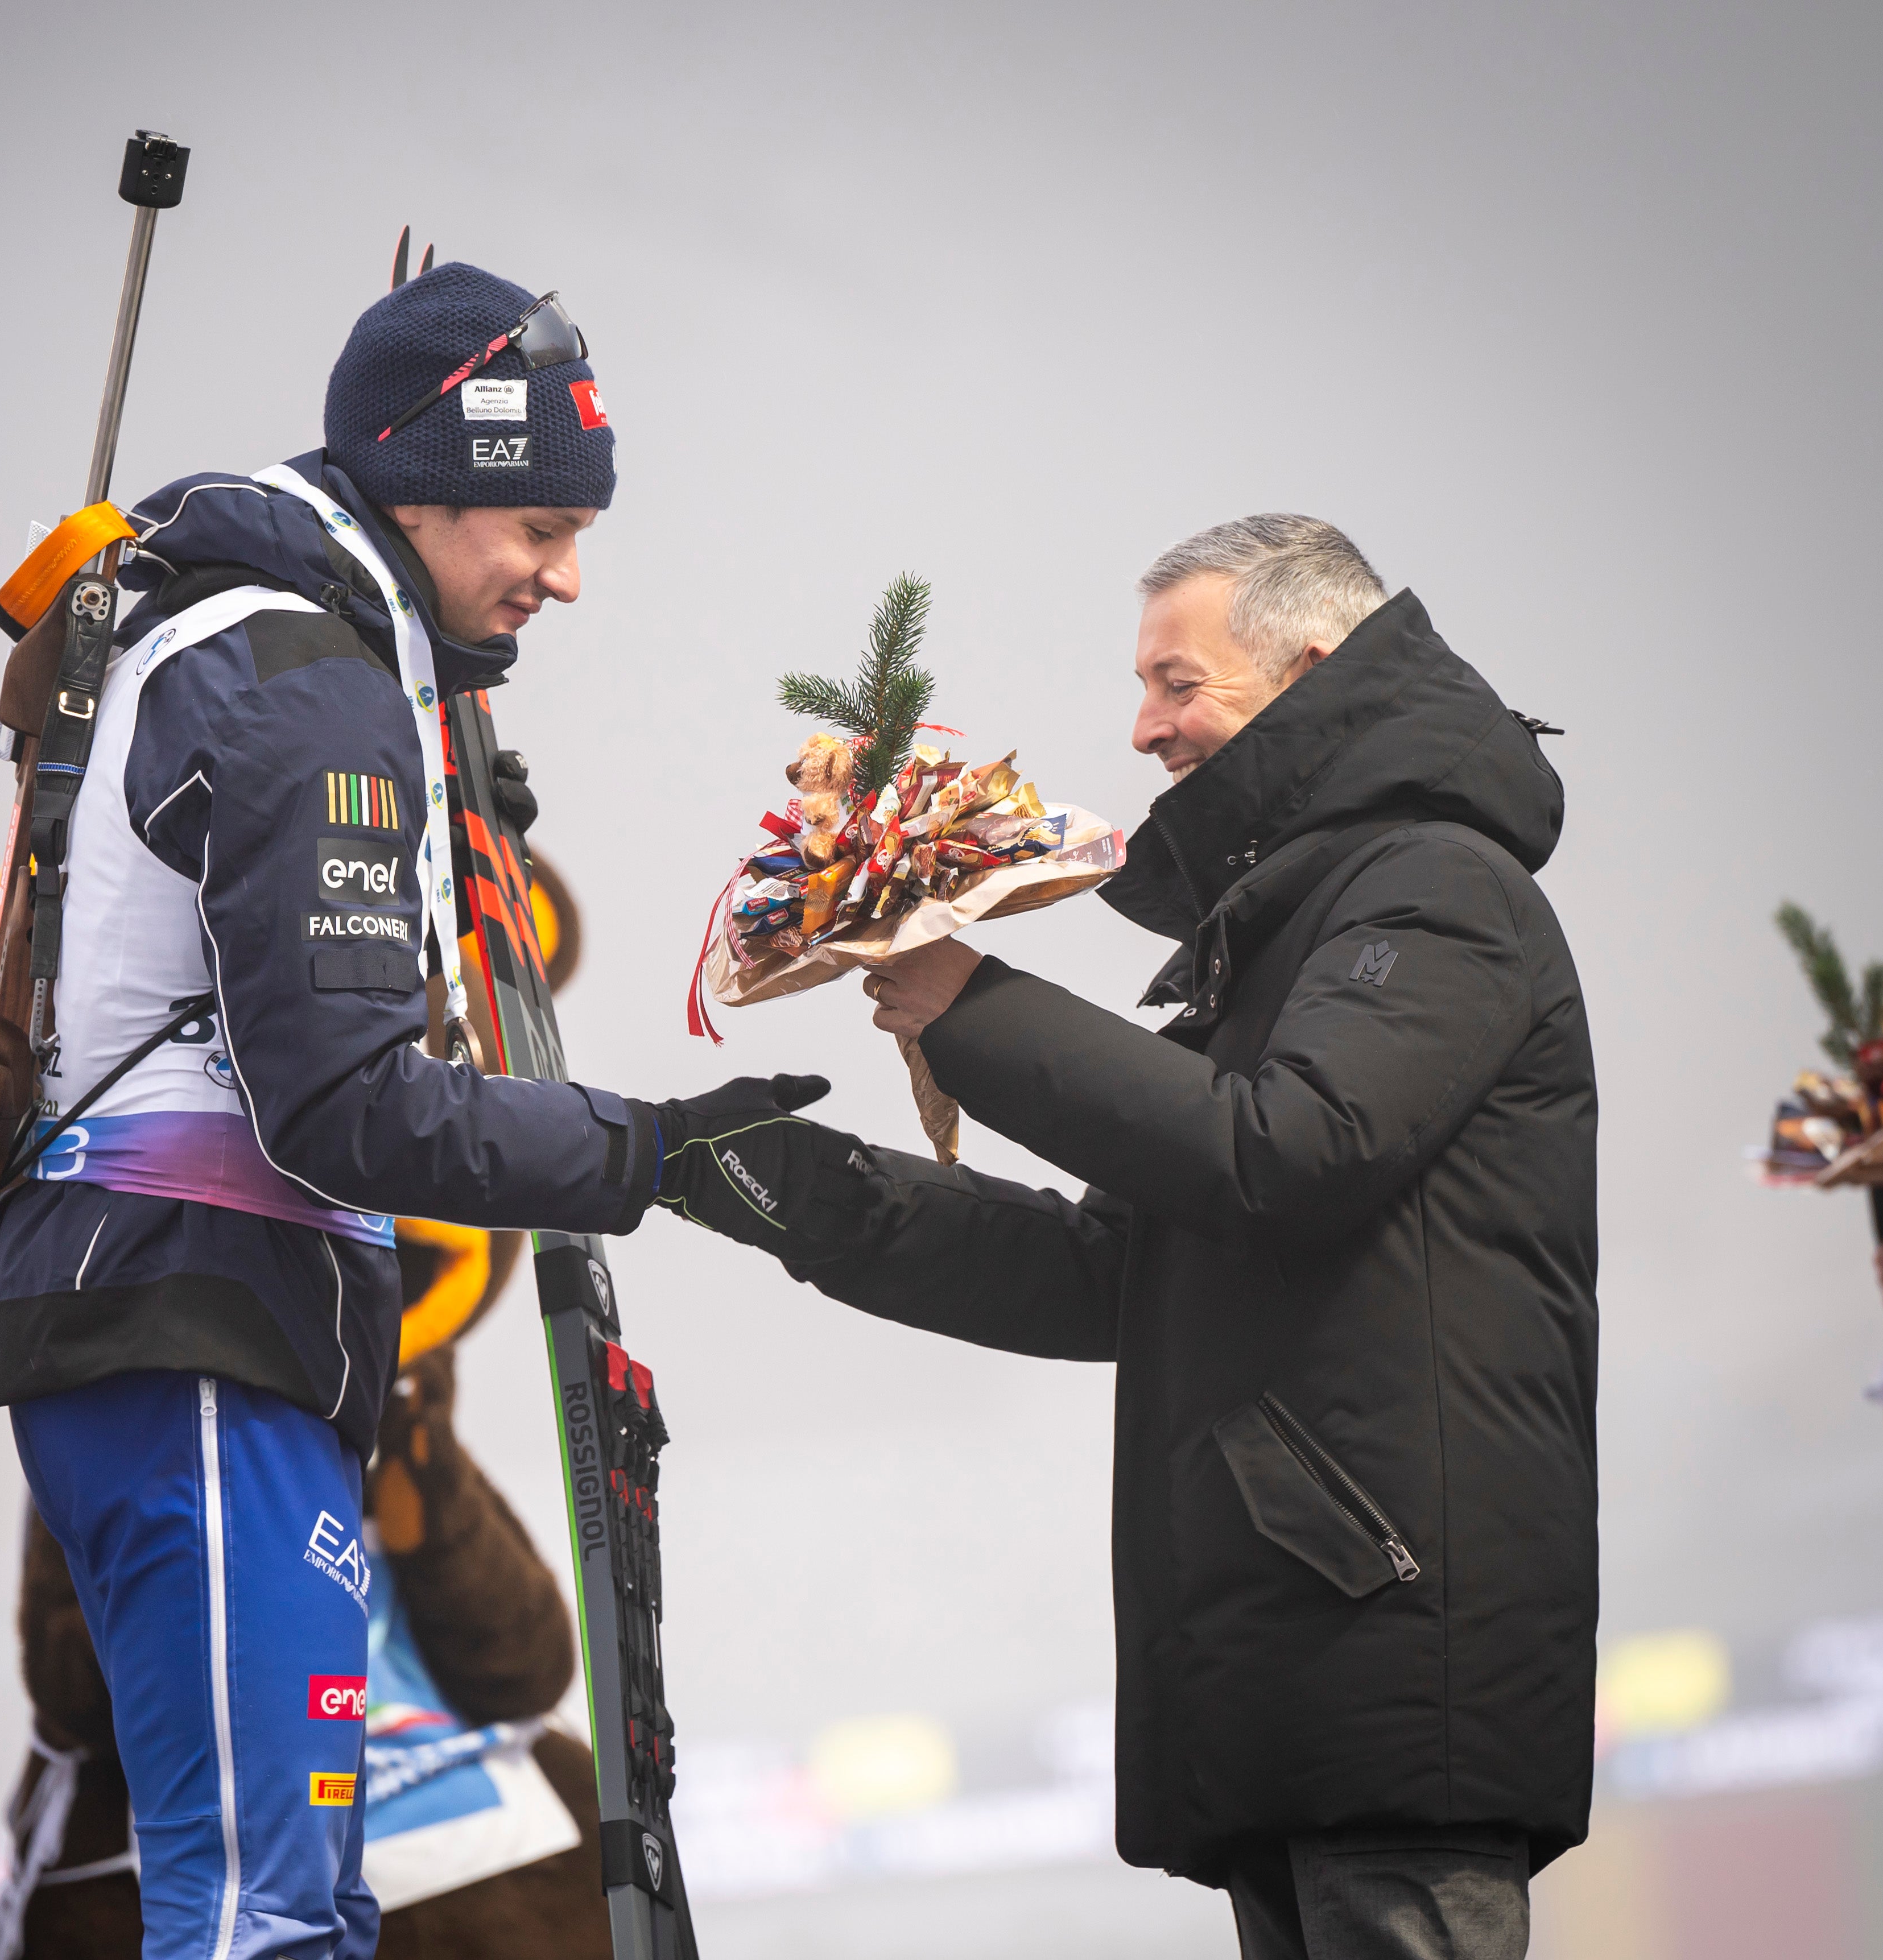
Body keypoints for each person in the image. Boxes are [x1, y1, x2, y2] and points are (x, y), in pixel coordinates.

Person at [0, 260, 773, 1960]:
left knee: (313, 1906)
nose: (565, 575)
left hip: (207, 1325)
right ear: (420, 488)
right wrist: (653, 1150)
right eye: (539, 526)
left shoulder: (297, 650)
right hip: (192, 1320)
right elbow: (343, 1103)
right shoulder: (306, 679)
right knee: (262, 1910)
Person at [662, 517, 1597, 1959]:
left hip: (1392, 1633)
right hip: (1302, 1628)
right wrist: (783, 1183)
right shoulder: (1291, 923)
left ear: (1312, 667)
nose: (1144, 728)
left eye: (1177, 682)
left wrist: (971, 1006)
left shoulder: (1436, 888)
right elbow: (1112, 1269)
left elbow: (1282, 1151)